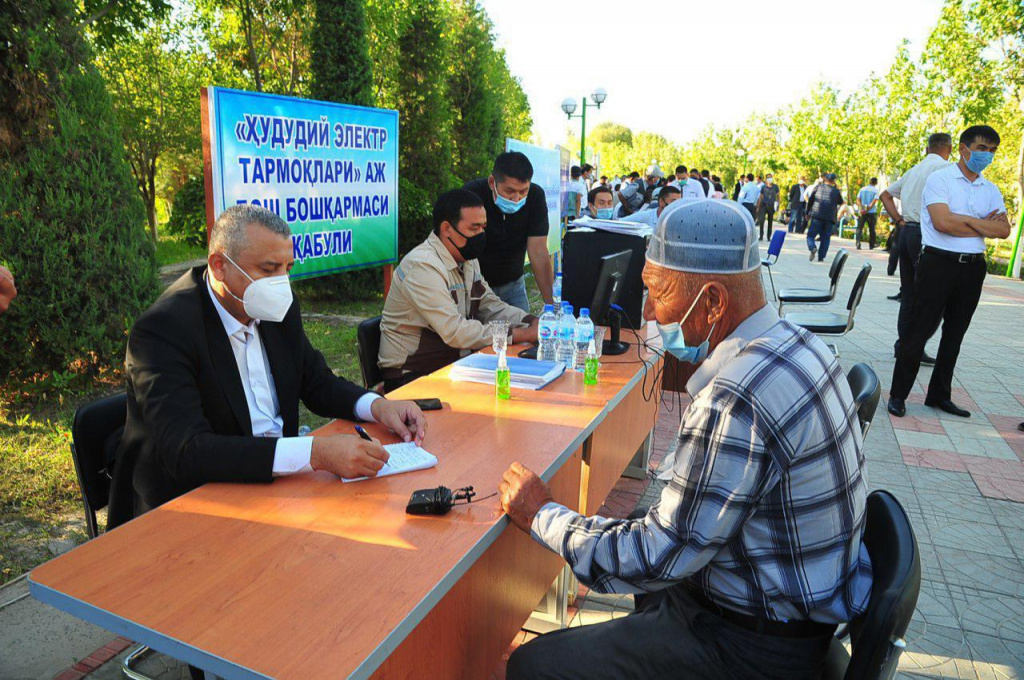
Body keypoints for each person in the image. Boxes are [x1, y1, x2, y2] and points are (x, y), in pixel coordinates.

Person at [500, 199, 871, 680]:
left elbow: (657, 554)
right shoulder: (802, 344)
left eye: (658, 291)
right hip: (789, 610)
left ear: (714, 300)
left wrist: (542, 516)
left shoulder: (736, 397)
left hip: (753, 646)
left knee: (535, 665)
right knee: (638, 527)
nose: (650, 311)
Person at [117, 204, 428, 518]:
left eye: (287, 268)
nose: (281, 284)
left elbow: (316, 381)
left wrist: (378, 407)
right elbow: (187, 452)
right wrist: (315, 453)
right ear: (219, 266)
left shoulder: (274, 308)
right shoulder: (164, 329)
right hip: (194, 507)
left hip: (280, 491)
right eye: (268, 269)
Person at [888, 125, 1010, 419]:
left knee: (954, 335)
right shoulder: (939, 180)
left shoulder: (990, 189)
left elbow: (1003, 230)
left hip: (972, 269)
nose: (987, 155)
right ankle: (898, 395)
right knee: (918, 331)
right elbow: (943, 223)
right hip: (937, 264)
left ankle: (939, 395)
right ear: (963, 149)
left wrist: (965, 221)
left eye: (992, 151)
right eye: (982, 149)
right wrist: (982, 224)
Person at [379, 190, 538, 391]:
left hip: (453, 366)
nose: (481, 235)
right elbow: (455, 331)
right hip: (413, 377)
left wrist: (531, 321)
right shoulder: (422, 266)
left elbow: (490, 305)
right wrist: (522, 334)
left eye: (483, 227)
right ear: (446, 228)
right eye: (474, 228)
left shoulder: (467, 259)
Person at [879, 133, 953, 364]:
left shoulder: (914, 170)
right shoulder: (948, 171)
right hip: (928, 236)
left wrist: (898, 220)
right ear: (949, 148)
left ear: (927, 148)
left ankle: (906, 345)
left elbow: (885, 195)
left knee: (910, 294)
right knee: (935, 297)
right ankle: (911, 346)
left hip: (907, 232)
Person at [464, 152, 554, 312]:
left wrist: (551, 305)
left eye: (523, 191)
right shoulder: (472, 195)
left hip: (513, 286)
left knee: (524, 329)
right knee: (480, 334)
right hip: (475, 286)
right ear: (492, 182)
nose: (516, 198)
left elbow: (538, 251)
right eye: (510, 191)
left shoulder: (535, 196)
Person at [804, 173, 844, 262]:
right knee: (825, 238)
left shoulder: (817, 187)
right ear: (833, 181)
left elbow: (810, 201)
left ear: (825, 179)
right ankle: (821, 257)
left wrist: (807, 213)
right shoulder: (836, 191)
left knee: (810, 235)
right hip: (829, 218)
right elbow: (841, 202)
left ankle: (812, 247)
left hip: (817, 216)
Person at [855, 178, 880, 249]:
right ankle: (871, 245)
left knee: (859, 228)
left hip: (862, 212)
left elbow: (858, 199)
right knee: (872, 229)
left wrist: (862, 208)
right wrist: (867, 209)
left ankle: (858, 243)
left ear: (869, 181)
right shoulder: (876, 191)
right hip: (871, 212)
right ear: (876, 183)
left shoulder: (862, 189)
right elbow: (873, 202)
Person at [754, 173, 780, 240]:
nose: (770, 179)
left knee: (770, 221)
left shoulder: (775, 187)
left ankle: (769, 237)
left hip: (771, 205)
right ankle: (761, 235)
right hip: (763, 205)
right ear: (766, 179)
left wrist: (778, 205)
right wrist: (758, 206)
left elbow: (778, 196)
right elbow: (760, 197)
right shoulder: (763, 187)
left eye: (770, 177)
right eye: (768, 177)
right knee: (761, 220)